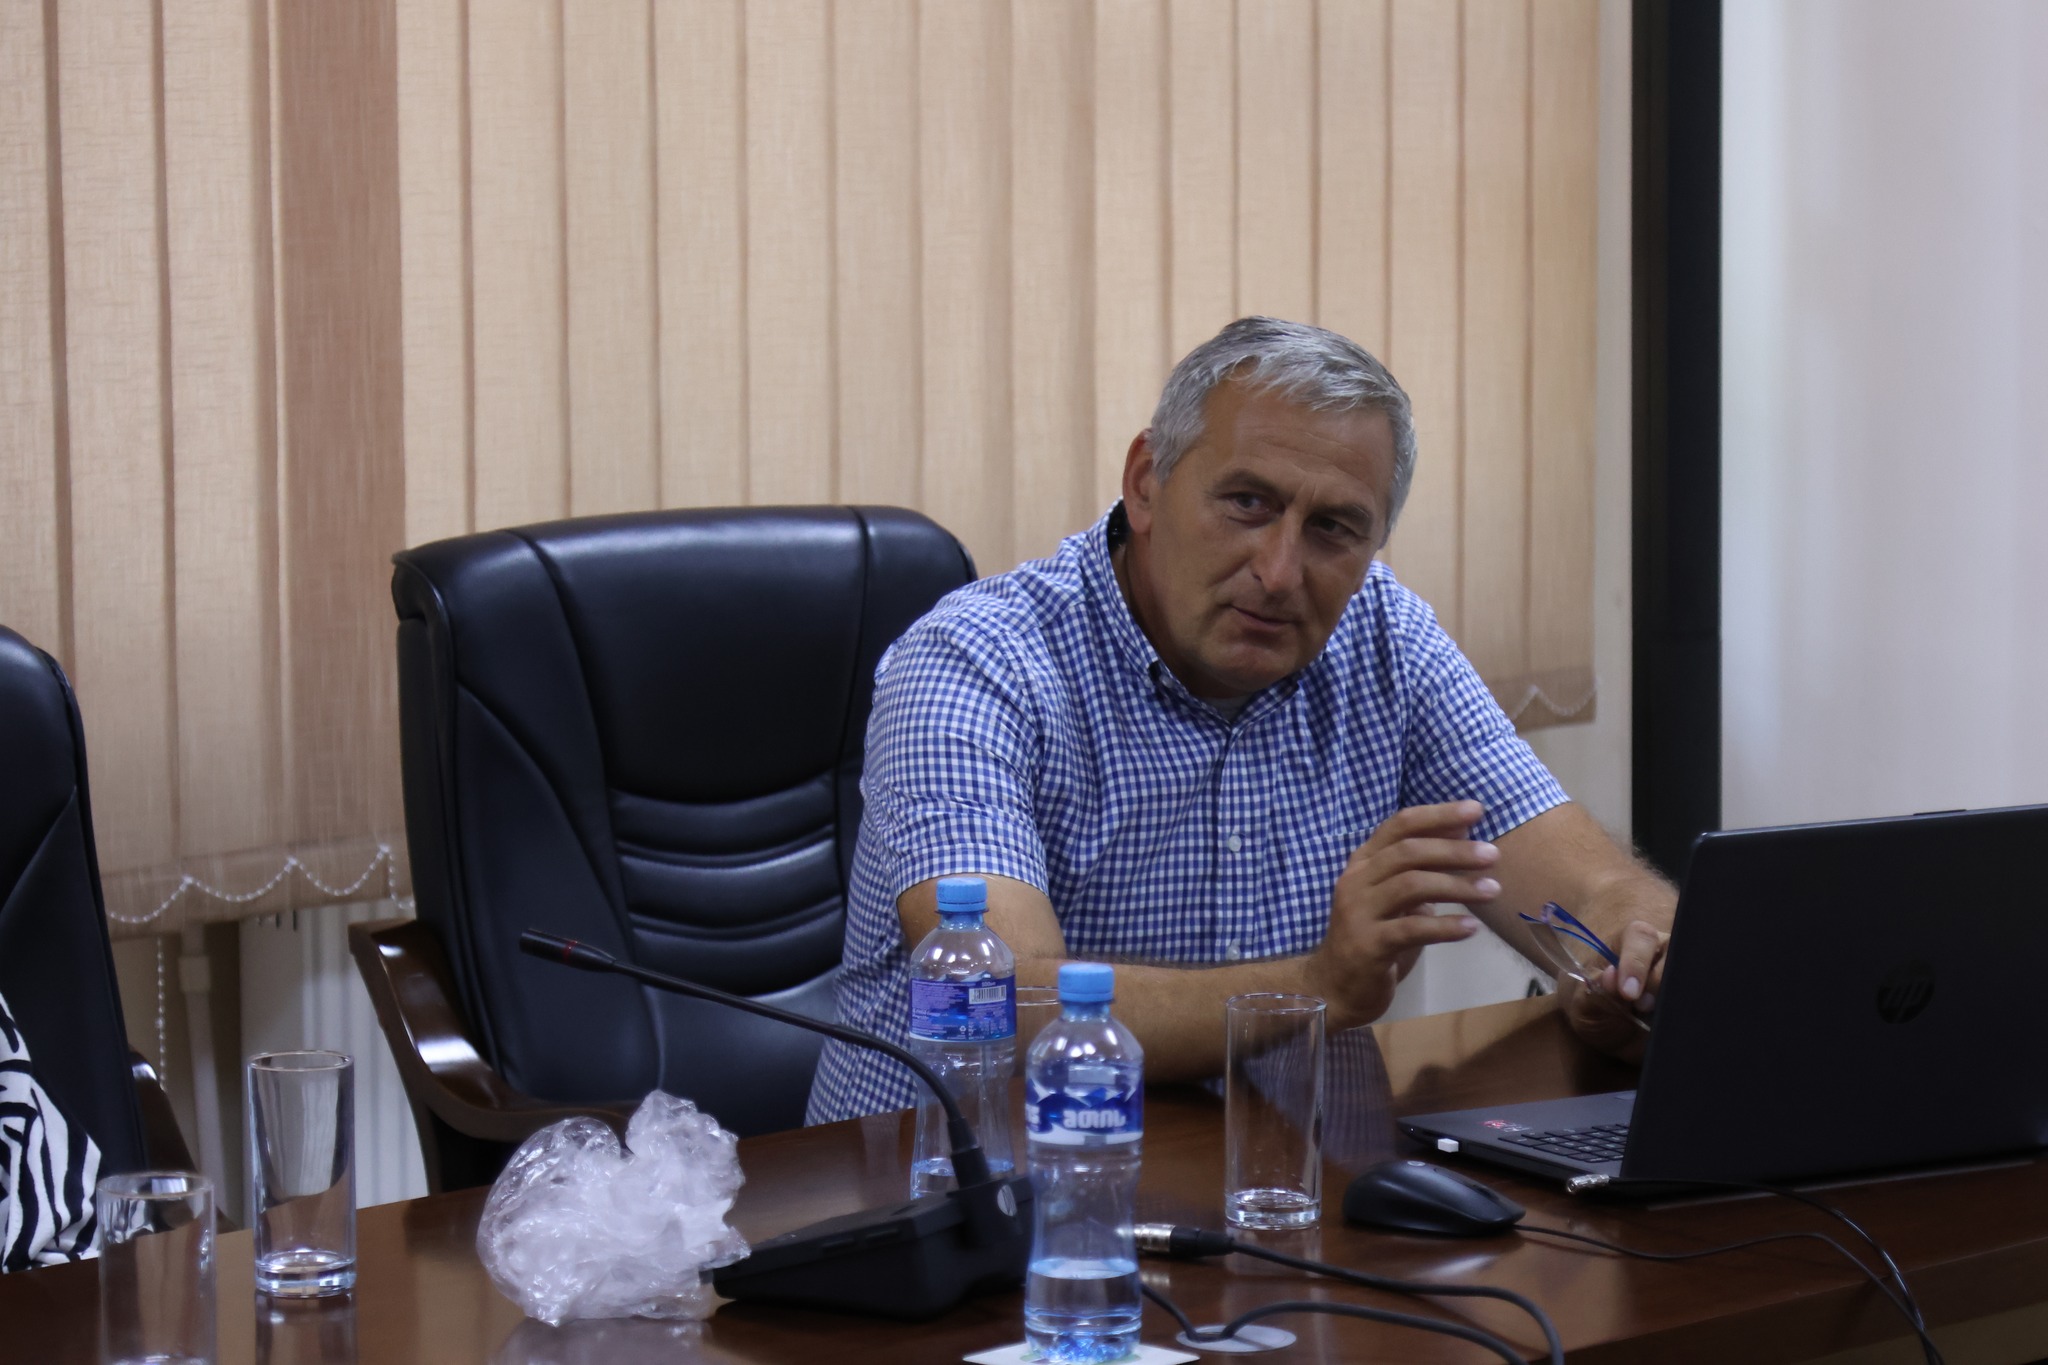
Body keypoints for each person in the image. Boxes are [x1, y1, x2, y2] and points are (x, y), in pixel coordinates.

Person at [807, 317, 1674, 1123]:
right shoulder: (973, 661)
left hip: (1267, 1182)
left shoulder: (1384, 635)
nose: (1280, 571)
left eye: (1334, 527)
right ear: (1146, 483)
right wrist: (1317, 984)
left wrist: (1639, 959)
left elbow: (1591, 888)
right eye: (1247, 503)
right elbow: (992, 1002)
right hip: (956, 1192)